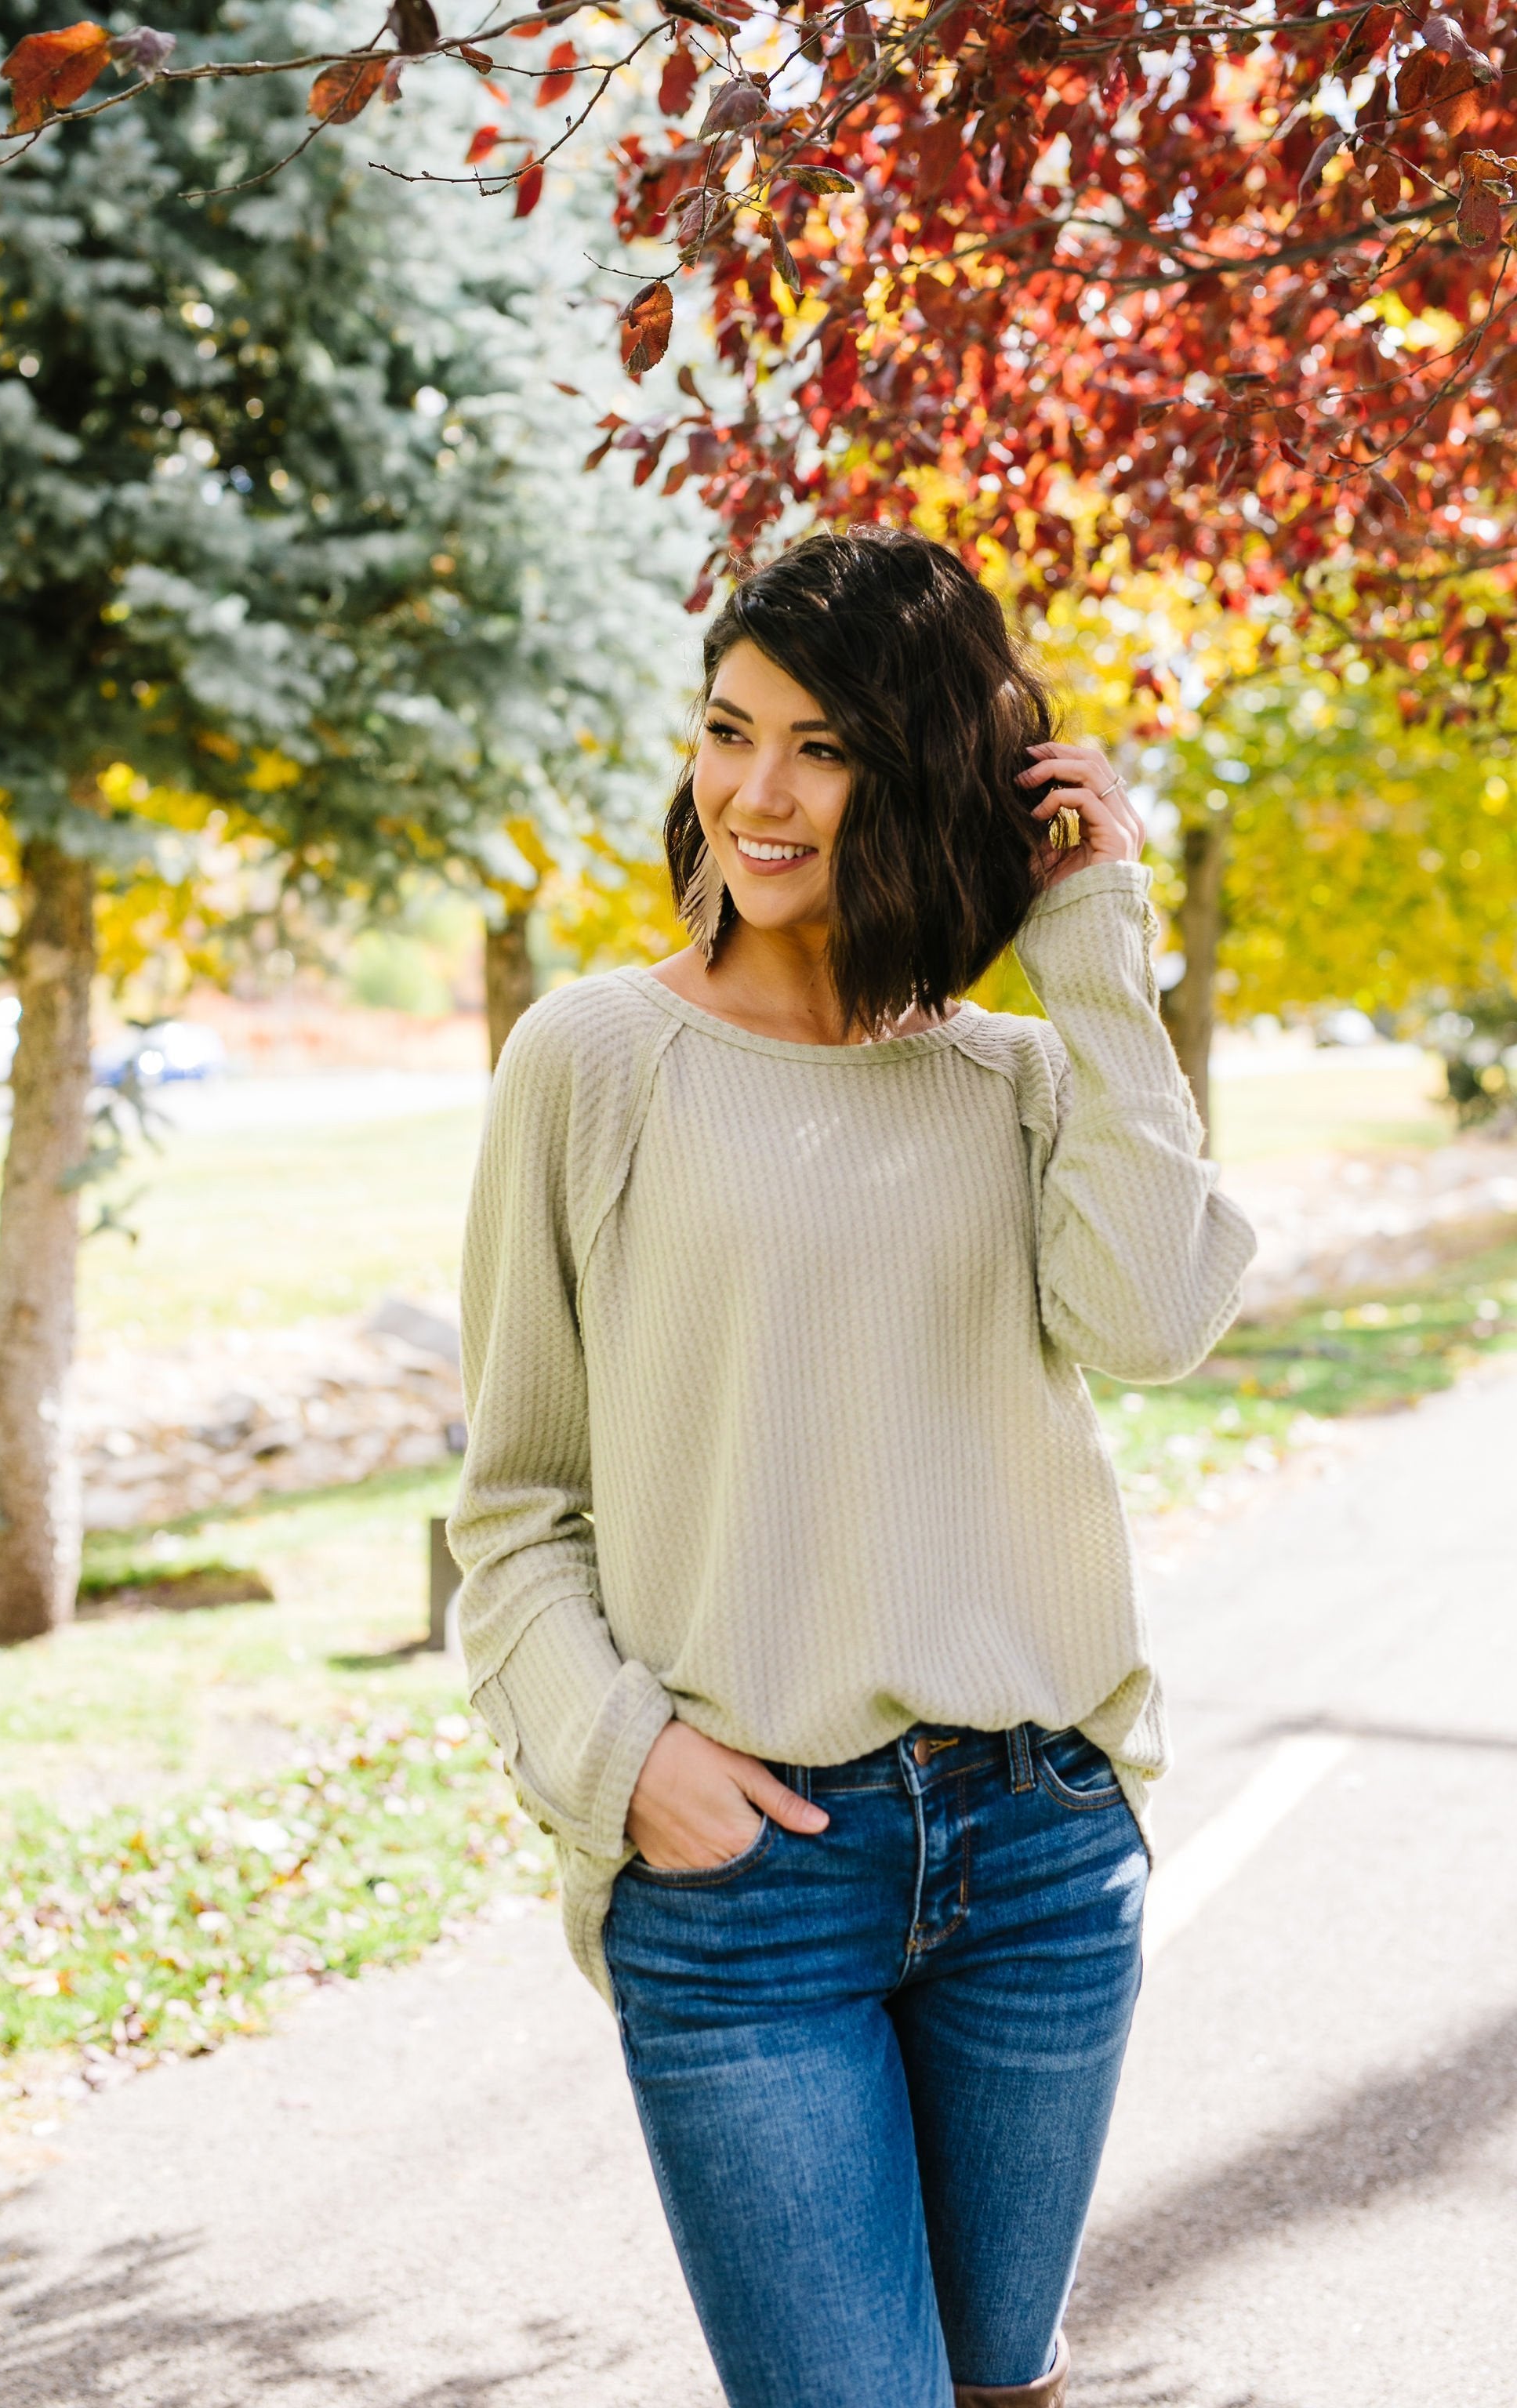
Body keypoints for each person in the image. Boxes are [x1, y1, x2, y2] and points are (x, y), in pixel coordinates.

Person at [448, 527, 1256, 2408]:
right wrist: (623, 1761)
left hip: (1038, 1844)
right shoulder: (592, 1062)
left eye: (821, 746)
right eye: (731, 731)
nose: (755, 790)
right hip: (750, 1889)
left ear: (921, 772)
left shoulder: (1020, 1083)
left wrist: (1094, 947)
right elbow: (514, 1506)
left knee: (1002, 2381)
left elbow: (1150, 1318)